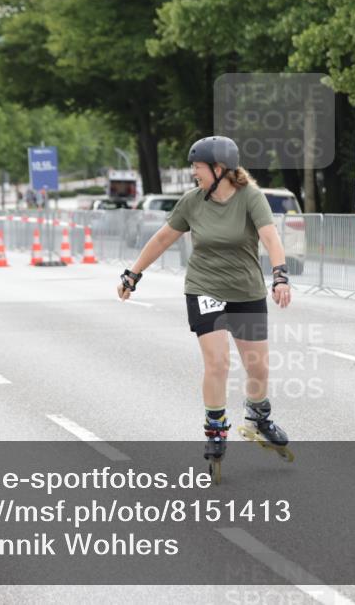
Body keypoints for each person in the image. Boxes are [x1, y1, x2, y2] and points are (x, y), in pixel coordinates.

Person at [116, 136, 293, 480]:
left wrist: (280, 276)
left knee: (257, 367)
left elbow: (270, 237)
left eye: (197, 167)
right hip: (204, 288)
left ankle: (258, 415)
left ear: (219, 168)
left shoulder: (250, 198)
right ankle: (215, 426)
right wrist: (133, 274)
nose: (193, 172)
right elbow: (162, 239)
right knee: (218, 361)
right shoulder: (192, 202)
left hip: (245, 291)